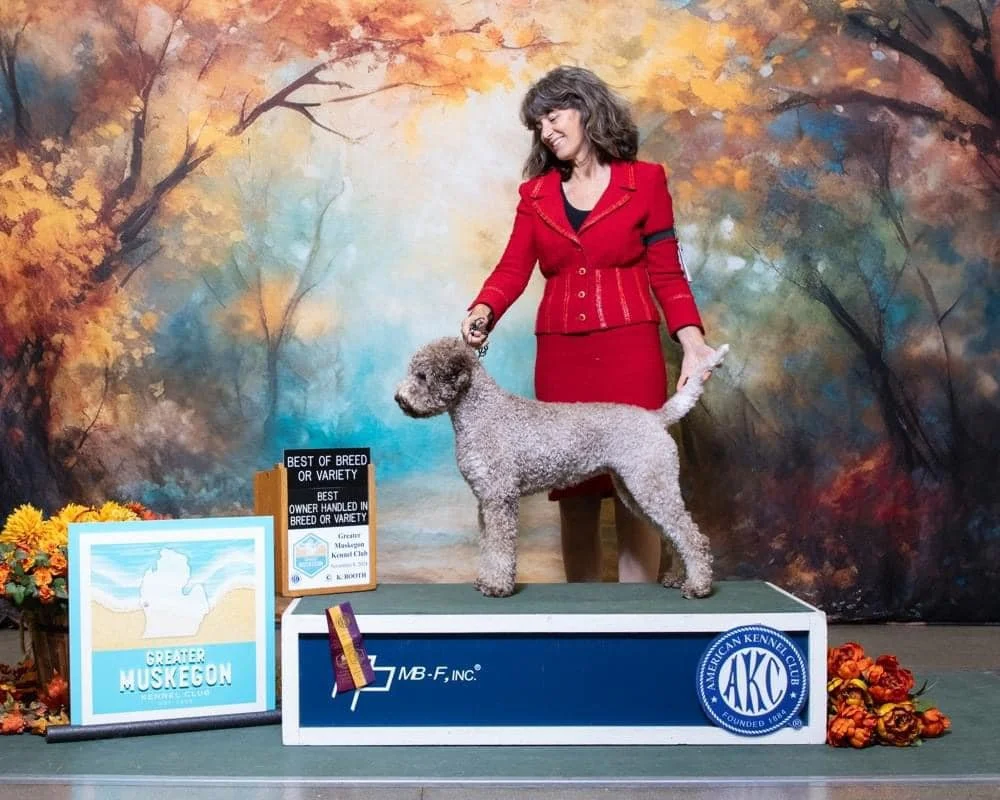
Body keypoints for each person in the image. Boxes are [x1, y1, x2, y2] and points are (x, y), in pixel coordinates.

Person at [461, 65, 718, 583]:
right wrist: (484, 310)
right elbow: (513, 267)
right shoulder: (533, 196)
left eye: (553, 116)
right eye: (538, 125)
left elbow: (667, 272)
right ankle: (581, 619)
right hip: (561, 358)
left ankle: (638, 616)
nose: (545, 131)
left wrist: (693, 345)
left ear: (587, 109)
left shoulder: (646, 182)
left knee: (636, 491)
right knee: (574, 495)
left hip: (631, 351)